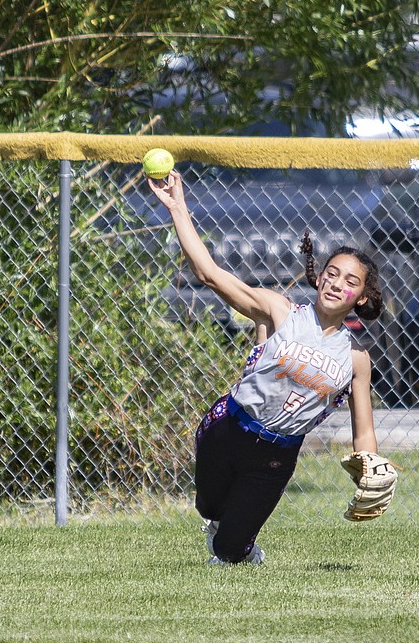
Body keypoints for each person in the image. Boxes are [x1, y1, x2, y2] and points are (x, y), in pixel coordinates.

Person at [148, 170, 386, 564]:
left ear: (361, 298)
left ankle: (240, 546)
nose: (335, 283)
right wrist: (178, 207)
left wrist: (371, 471)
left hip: (277, 454)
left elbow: (365, 432)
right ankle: (219, 520)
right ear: (319, 277)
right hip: (228, 427)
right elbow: (209, 274)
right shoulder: (281, 310)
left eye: (349, 281)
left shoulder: (356, 358)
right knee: (208, 509)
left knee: (228, 552)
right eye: (330, 273)